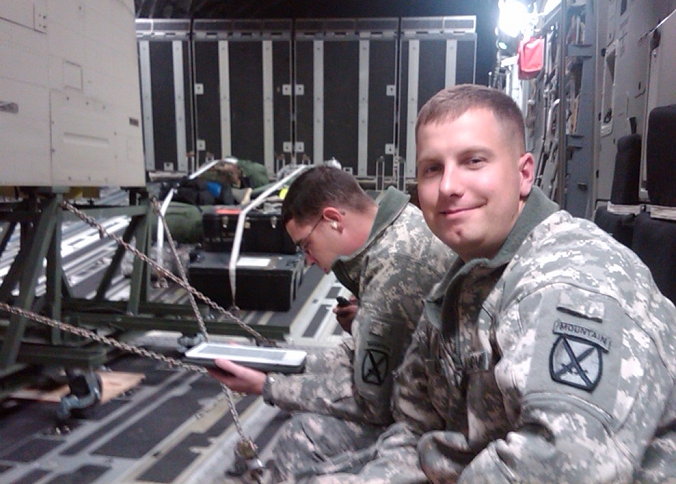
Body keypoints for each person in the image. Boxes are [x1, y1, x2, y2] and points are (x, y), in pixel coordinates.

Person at [293, 84, 676, 483]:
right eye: (432, 169)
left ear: (524, 173)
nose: (448, 187)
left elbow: (558, 467)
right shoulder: (467, 278)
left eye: (474, 161)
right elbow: (413, 421)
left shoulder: (575, 282)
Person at [207, 165, 456, 481]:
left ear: (333, 220)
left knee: (303, 437)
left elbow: (373, 404)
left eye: (306, 245)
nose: (309, 260)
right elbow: (363, 356)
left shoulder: (394, 270)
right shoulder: (397, 227)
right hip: (430, 399)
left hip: (436, 428)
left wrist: (267, 386)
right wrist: (275, 363)